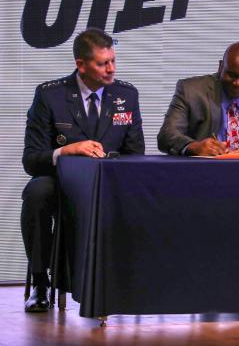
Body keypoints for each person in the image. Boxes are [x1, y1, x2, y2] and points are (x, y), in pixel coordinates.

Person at [21, 28, 145, 312]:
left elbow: (135, 153)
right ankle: (41, 284)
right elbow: (31, 160)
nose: (111, 69)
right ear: (81, 64)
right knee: (37, 192)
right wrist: (66, 151)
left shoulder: (127, 94)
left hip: (109, 184)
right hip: (63, 182)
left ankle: (131, 282)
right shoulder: (50, 95)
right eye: (103, 63)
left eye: (113, 60)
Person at [157, 42, 239, 156]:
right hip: (203, 171)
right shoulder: (190, 90)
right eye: (232, 75)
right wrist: (194, 147)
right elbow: (166, 135)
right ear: (220, 67)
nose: (238, 83)